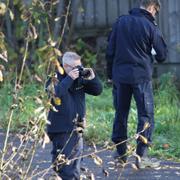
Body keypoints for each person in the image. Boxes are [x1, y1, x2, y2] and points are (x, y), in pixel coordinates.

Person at [106, 0, 167, 169]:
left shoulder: (120, 22)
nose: (155, 14)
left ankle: (120, 154)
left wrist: (110, 75)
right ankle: (141, 156)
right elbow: (162, 55)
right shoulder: (150, 26)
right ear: (152, 6)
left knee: (121, 113)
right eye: (156, 11)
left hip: (120, 77)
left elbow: (110, 50)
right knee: (146, 116)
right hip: (141, 78)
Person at [45, 52, 102, 179]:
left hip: (77, 126)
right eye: (74, 67)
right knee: (68, 168)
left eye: (79, 66)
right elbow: (55, 93)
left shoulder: (79, 78)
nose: (78, 70)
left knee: (72, 164)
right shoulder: (54, 76)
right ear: (65, 66)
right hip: (61, 127)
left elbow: (97, 91)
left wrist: (92, 78)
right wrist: (69, 78)